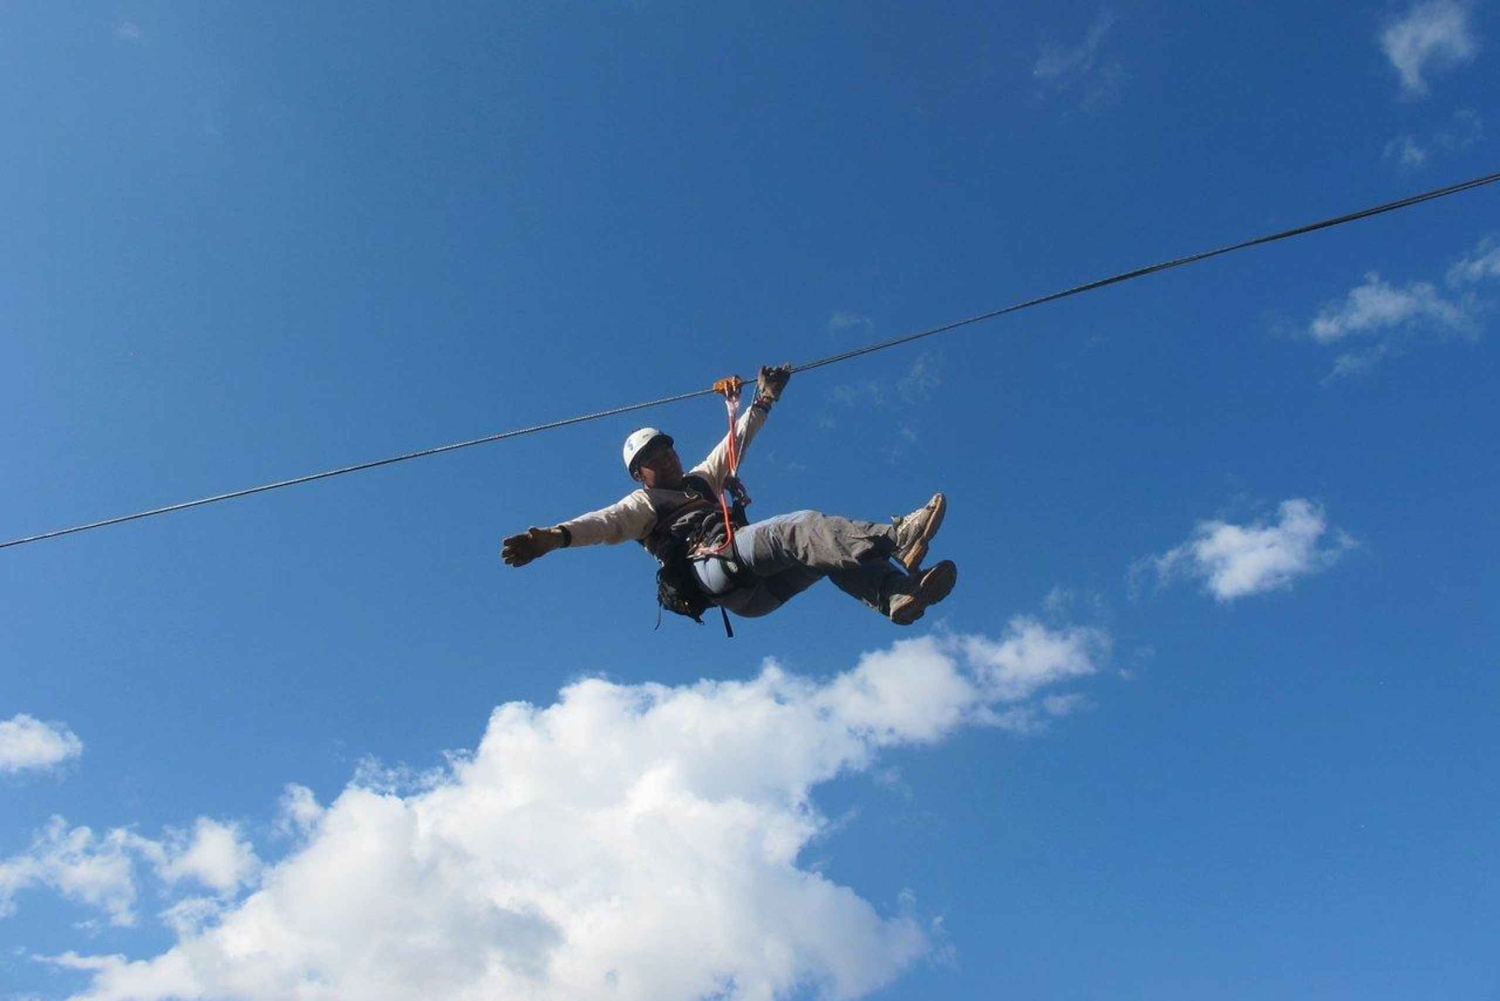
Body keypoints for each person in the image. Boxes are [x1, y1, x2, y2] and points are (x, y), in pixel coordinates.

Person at [501, 365, 957, 626]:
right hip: (715, 566)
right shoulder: (643, 506)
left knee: (824, 554)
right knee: (800, 527)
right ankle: (898, 537)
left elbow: (736, 441)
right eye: (653, 460)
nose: (666, 461)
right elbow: (601, 525)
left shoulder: (700, 479)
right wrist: (552, 538)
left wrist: (764, 398)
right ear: (639, 476)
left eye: (667, 451)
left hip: (752, 595)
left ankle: (896, 594)